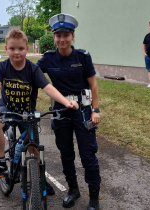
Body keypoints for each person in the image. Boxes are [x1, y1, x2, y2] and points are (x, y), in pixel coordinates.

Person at [0, 29, 78, 196]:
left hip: (27, 113)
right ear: (6, 49)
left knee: (34, 150)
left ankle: (40, 179)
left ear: (27, 49)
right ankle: (0, 162)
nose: (16, 52)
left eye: (20, 48)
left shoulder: (33, 69)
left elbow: (48, 88)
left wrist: (66, 102)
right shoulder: (2, 67)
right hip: (7, 109)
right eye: (12, 49)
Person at [37, 14, 101, 210]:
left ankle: (94, 197)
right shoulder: (48, 58)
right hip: (61, 112)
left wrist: (95, 110)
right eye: (58, 35)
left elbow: (93, 84)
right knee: (66, 154)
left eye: (66, 35)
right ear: (54, 37)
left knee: (88, 154)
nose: (62, 39)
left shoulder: (82, 57)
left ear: (73, 36)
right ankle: (73, 190)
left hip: (82, 111)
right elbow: (30, 73)